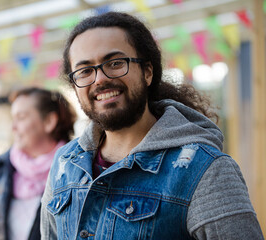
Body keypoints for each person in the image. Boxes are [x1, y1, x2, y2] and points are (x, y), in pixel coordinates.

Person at [40, 12, 264, 239]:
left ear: (147, 72)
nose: (99, 79)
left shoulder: (205, 169)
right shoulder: (64, 164)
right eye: (85, 70)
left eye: (116, 63)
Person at [0, 87, 76, 240]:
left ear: (49, 121)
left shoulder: (77, 171)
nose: (13, 127)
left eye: (21, 117)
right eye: (12, 119)